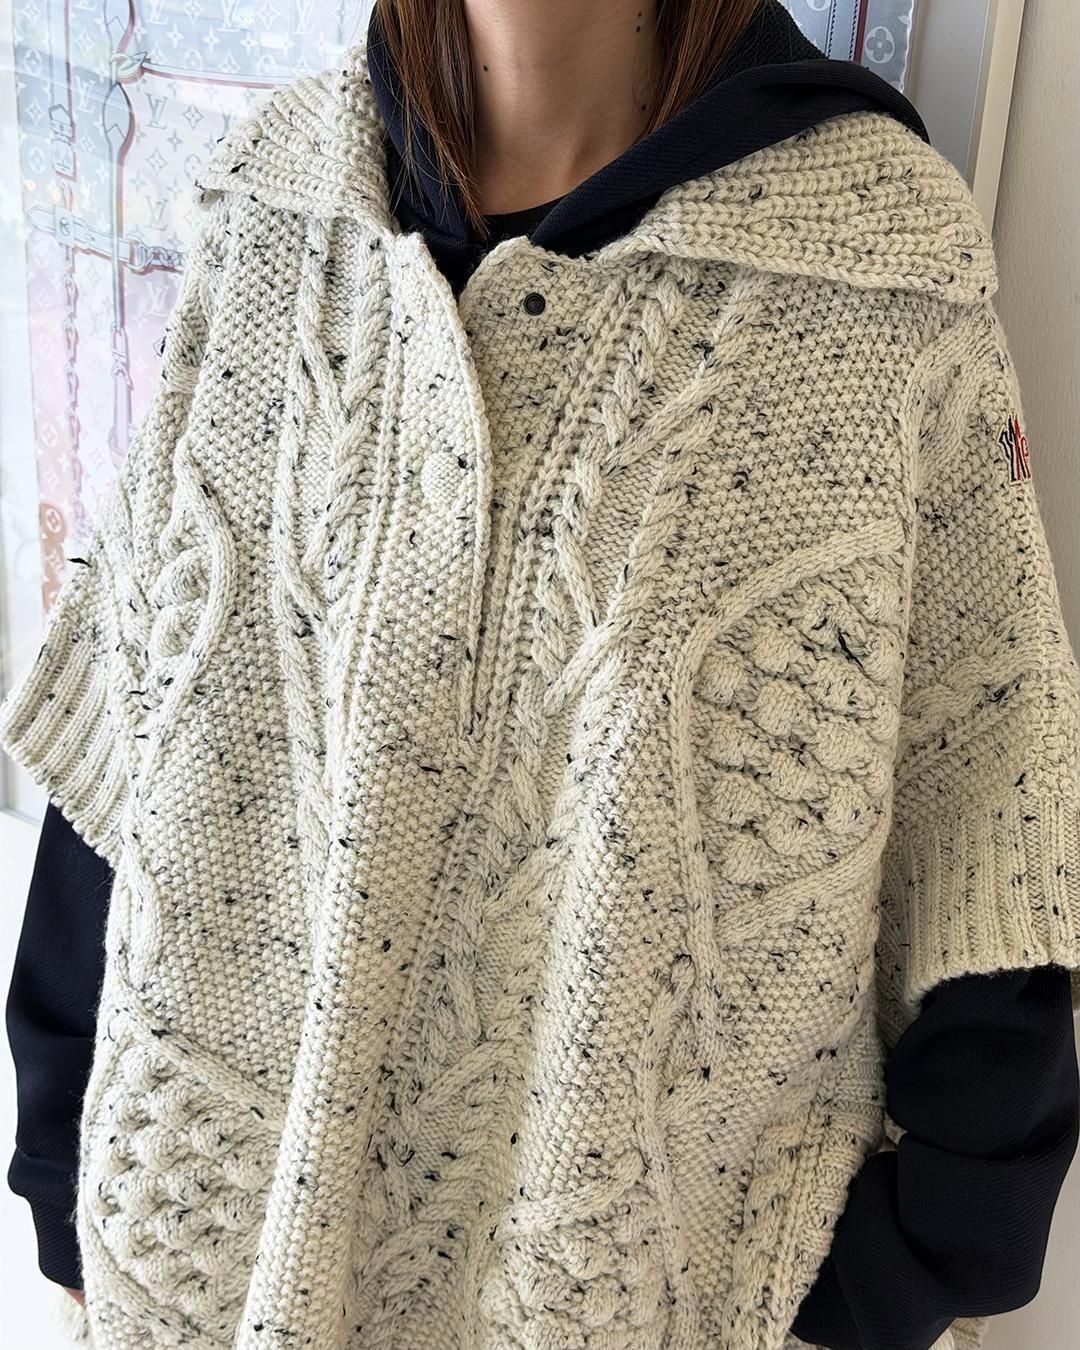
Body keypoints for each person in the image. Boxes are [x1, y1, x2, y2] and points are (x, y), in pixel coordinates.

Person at [2, 1, 1078, 1347]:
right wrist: (65, 1162)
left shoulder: (872, 283)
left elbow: (988, 816)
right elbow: (141, 719)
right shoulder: (273, 209)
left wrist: (881, 1279)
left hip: (630, 1299)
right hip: (210, 1268)